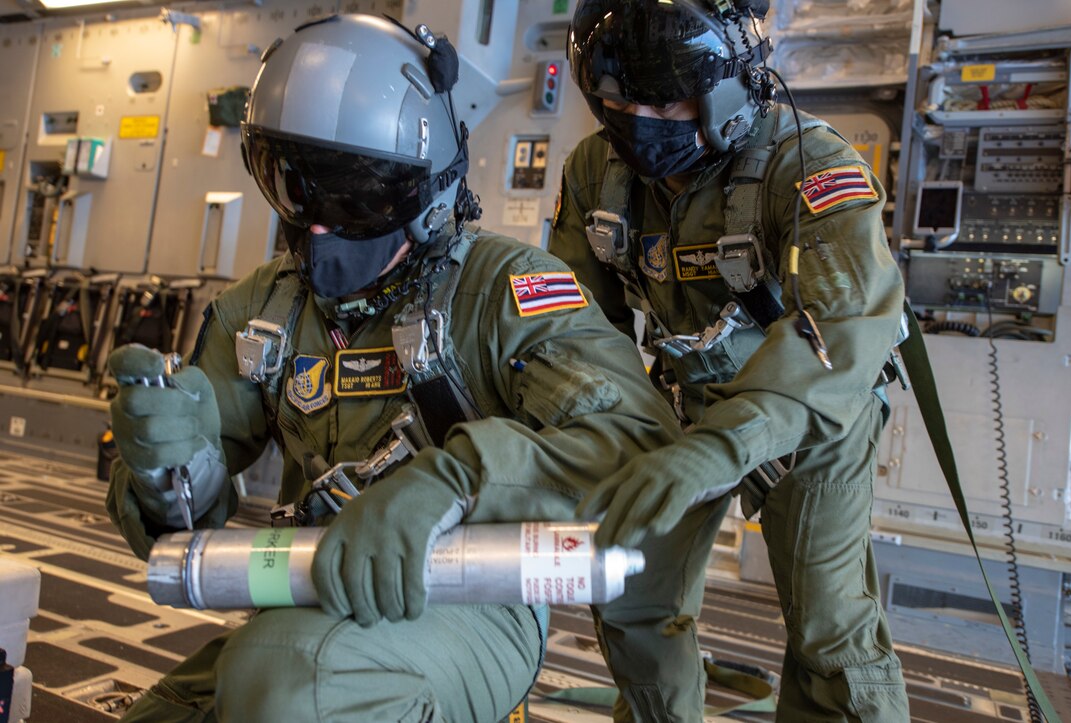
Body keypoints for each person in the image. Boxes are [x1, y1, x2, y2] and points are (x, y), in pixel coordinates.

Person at [104, 13, 689, 722]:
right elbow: (182, 520)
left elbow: (639, 440)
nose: (318, 226)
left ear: (425, 191)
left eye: (351, 198)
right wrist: (167, 465)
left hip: (467, 596)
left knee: (287, 684)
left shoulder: (503, 290)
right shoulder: (263, 309)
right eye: (294, 188)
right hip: (315, 583)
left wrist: (457, 482)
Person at [551, 1, 911, 721]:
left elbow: (840, 332)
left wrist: (721, 448)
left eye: (666, 99)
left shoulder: (809, 165)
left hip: (813, 411)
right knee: (628, 595)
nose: (640, 119)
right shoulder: (597, 171)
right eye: (619, 99)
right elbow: (574, 330)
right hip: (683, 403)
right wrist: (594, 432)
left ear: (733, 83)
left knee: (829, 625)